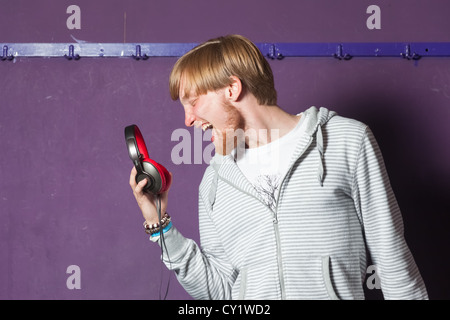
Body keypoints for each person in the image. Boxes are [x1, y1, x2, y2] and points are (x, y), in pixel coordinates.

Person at [129, 34, 428, 300]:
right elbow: (219, 291)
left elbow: (391, 257)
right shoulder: (214, 181)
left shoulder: (346, 141)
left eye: (193, 103)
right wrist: (160, 224)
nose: (189, 120)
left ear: (232, 88)